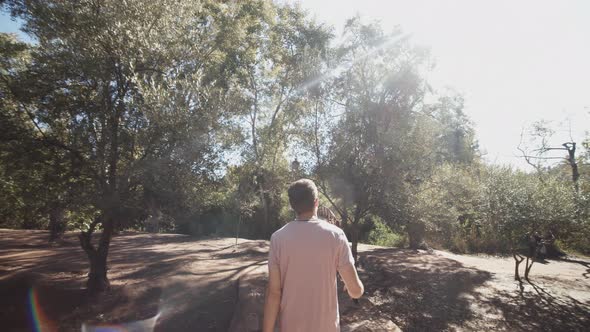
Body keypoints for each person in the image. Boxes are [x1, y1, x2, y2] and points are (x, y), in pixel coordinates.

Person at [262, 179, 364, 332]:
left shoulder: (278, 238)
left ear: (292, 205)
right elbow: (356, 291)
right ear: (316, 202)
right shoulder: (336, 235)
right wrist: (353, 288)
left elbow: (274, 293)